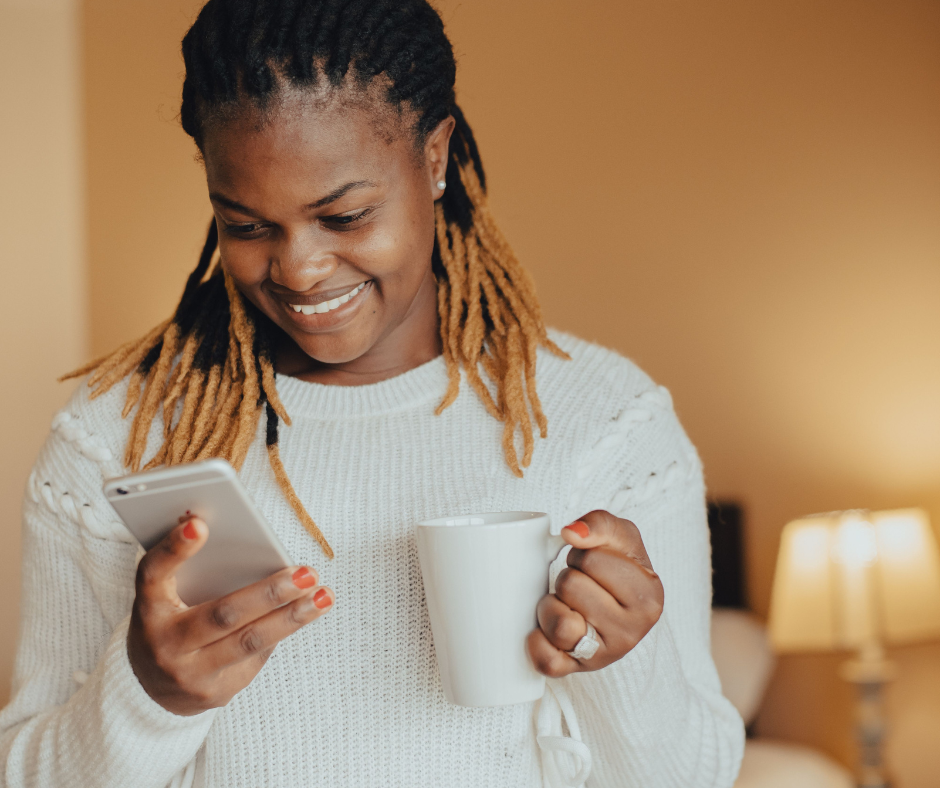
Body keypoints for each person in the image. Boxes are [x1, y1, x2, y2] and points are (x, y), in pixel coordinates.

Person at [0, 1, 744, 786]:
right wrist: (151, 696)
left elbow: (693, 776)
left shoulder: (603, 423)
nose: (299, 269)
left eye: (345, 216)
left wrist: (619, 660)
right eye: (247, 226)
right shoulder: (114, 438)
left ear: (435, 155)